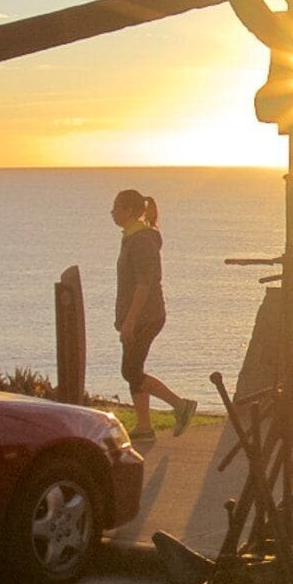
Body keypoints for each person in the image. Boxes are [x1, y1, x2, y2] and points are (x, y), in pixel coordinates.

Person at [110, 188, 191, 440]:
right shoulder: (133, 238)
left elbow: (145, 283)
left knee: (131, 371)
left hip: (146, 317)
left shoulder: (142, 240)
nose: (112, 212)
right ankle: (144, 427)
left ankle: (180, 405)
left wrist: (131, 321)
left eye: (116, 207)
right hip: (137, 317)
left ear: (130, 210)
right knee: (135, 368)